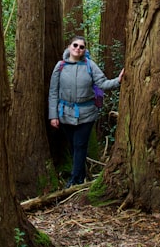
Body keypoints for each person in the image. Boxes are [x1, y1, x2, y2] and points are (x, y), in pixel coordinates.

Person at [48, 37, 124, 187]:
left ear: (84, 50)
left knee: (80, 145)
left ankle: (75, 180)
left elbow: (103, 83)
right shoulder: (60, 66)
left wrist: (118, 81)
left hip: (87, 114)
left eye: (81, 47)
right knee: (73, 145)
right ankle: (81, 174)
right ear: (69, 46)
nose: (78, 48)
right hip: (65, 114)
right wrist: (53, 116)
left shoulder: (90, 65)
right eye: (75, 45)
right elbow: (53, 92)